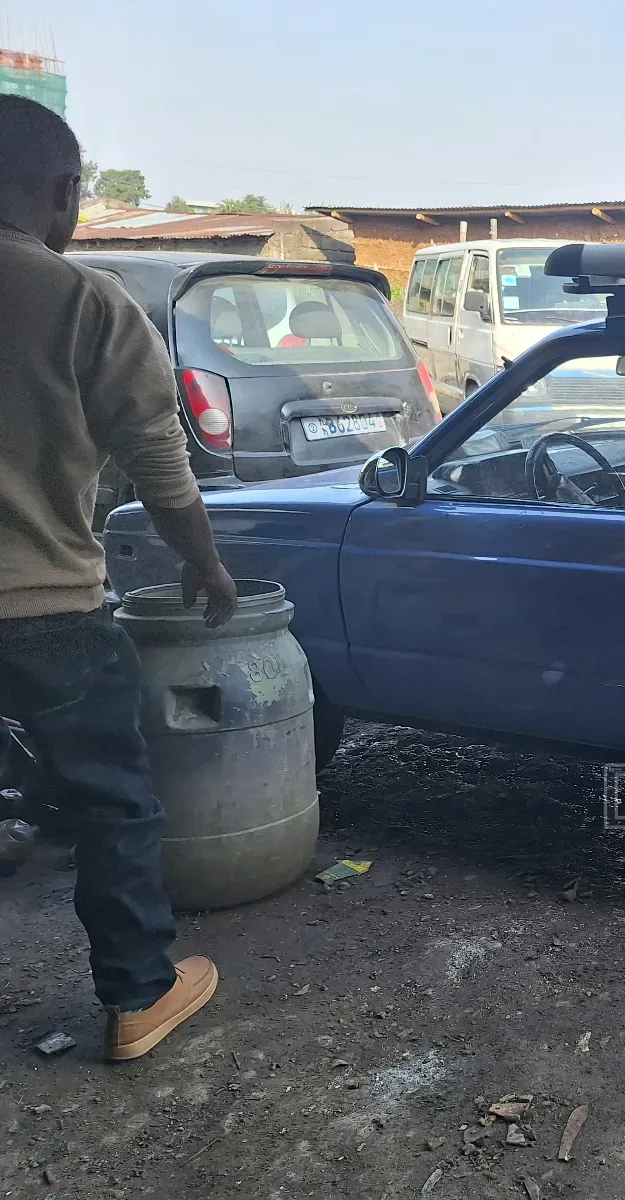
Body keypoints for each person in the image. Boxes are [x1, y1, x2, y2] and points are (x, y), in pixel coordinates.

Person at [0, 95, 239, 1061]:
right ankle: (139, 997)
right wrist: (208, 567)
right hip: (47, 609)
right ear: (61, 190)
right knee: (110, 804)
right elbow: (160, 468)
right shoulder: (82, 301)